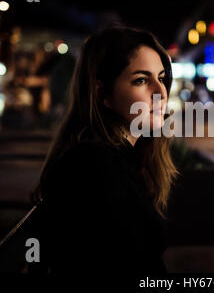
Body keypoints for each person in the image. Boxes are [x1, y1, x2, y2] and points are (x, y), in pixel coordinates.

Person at [29, 26, 178, 274]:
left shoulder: (120, 157)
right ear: (102, 93)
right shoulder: (94, 165)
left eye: (161, 78)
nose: (160, 92)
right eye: (141, 80)